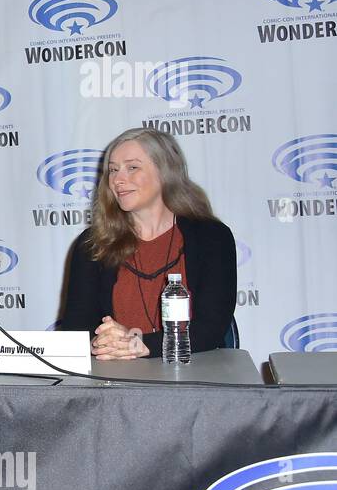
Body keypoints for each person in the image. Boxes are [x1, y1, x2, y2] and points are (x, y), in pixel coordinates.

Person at [60, 127, 236, 360]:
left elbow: (210, 329)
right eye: (113, 170)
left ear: (165, 172)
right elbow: (75, 330)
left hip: (193, 377)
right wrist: (105, 343)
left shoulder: (212, 237)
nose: (118, 180)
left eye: (132, 167)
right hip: (116, 379)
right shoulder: (92, 243)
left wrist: (139, 344)